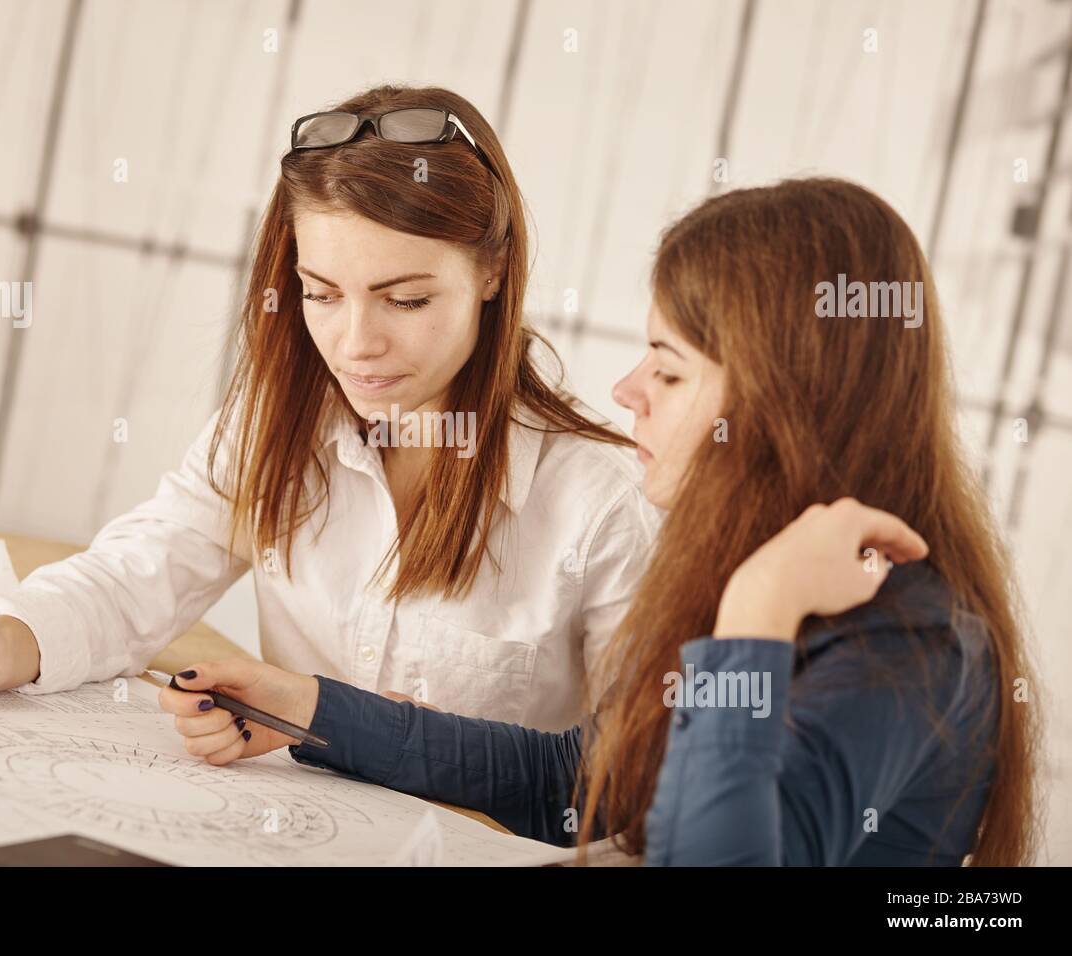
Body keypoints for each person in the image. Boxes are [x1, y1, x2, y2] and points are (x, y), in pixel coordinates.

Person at [151, 178, 1041, 866]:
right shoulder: (769, 577)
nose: (626, 392)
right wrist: (313, 711)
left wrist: (756, 616)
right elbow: (588, 784)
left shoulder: (912, 646)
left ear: (782, 405)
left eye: (669, 369)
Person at [0, 85, 659, 732]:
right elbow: (136, 579)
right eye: (322, 294)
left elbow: (631, 778)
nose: (356, 345)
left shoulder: (603, 505)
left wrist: (409, 745)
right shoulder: (274, 426)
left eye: (407, 300)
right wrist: (7, 641)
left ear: (493, 272)